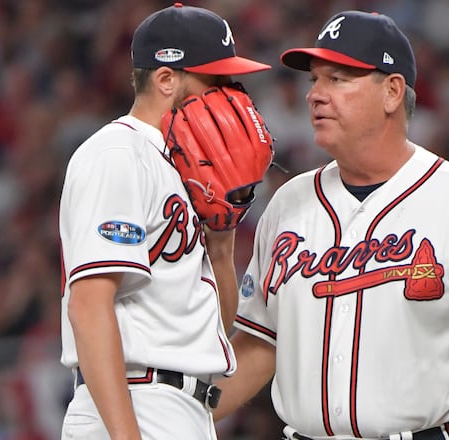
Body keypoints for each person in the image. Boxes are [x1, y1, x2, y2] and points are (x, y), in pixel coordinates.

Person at [213, 10, 449, 440]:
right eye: (314, 79)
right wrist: (165, 416)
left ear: (392, 92)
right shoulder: (288, 203)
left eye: (337, 79)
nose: (314, 95)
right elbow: (262, 344)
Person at [58, 3, 271, 439]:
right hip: (135, 400)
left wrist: (222, 243)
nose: (230, 93)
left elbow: (214, 329)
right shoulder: (119, 153)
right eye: (214, 80)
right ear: (166, 78)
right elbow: (88, 304)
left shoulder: (187, 169)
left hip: (184, 406)